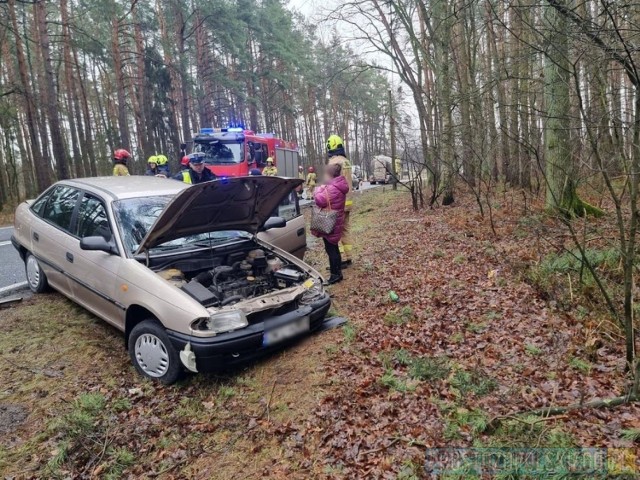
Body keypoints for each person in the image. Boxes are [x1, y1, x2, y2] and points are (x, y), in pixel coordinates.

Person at [312, 163, 349, 285]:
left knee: (331, 249)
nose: (324, 176)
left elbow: (320, 200)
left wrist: (317, 190)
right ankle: (336, 271)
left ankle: (336, 275)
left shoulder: (332, 188)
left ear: (330, 175)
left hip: (330, 223)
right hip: (336, 221)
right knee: (334, 248)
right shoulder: (338, 186)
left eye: (326, 174)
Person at [326, 135, 353, 267]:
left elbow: (328, 183)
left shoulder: (333, 162)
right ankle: (349, 257)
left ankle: (339, 260)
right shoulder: (346, 161)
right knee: (345, 230)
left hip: (338, 202)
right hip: (348, 201)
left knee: (335, 232)